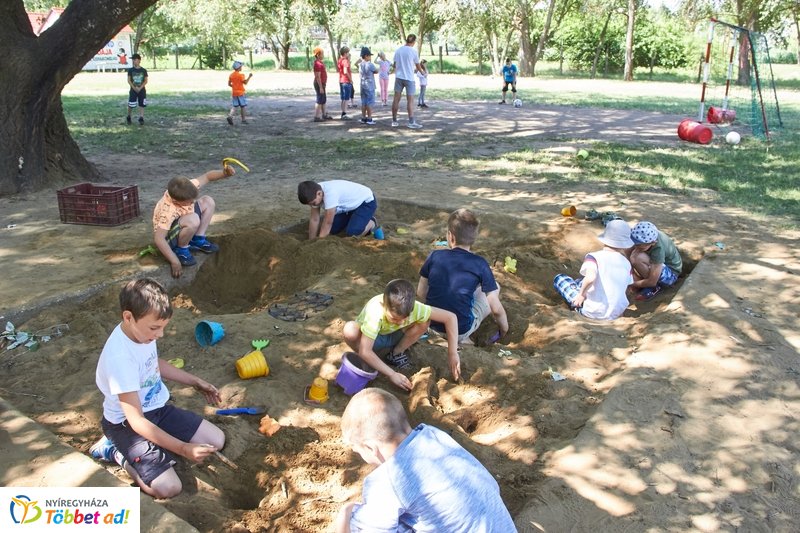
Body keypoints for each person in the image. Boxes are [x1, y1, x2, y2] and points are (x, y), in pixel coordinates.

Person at [90, 279, 225, 499]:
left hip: (156, 410)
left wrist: (194, 381)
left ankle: (151, 447)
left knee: (216, 440)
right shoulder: (120, 358)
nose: (160, 334)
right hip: (125, 426)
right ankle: (116, 452)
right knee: (168, 488)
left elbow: (152, 363)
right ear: (128, 317)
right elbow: (136, 421)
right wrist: (183, 448)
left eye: (163, 327)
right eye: (155, 328)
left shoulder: (141, 333)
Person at [334, 388, 516, 533]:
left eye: (357, 449)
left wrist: (345, 515)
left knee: (355, 518)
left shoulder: (387, 480)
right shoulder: (433, 434)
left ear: (370, 448)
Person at [342, 279, 460, 391]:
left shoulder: (416, 308)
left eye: (405, 318)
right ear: (383, 305)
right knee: (350, 330)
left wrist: (452, 353)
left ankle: (396, 353)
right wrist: (392, 374)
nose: (400, 322)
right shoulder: (375, 311)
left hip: (395, 335)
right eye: (394, 318)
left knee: (425, 321)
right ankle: (367, 361)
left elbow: (450, 317)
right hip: (370, 340)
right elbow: (365, 350)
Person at [417, 209, 509, 345]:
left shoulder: (434, 256)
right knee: (495, 288)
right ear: (474, 239)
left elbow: (420, 292)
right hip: (460, 330)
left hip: (431, 325)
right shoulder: (480, 264)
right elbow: (496, 309)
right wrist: (504, 329)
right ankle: (464, 339)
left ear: (450, 236)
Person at [152, 163, 236, 278]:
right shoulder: (167, 211)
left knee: (208, 201)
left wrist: (224, 173)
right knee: (193, 219)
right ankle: (181, 249)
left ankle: (198, 239)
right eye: (189, 202)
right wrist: (174, 261)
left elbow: (207, 176)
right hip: (170, 238)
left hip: (183, 221)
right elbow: (159, 239)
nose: (193, 202)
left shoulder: (187, 187)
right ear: (177, 201)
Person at [553, 219, 634, 320]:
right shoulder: (627, 263)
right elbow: (626, 287)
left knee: (560, 278)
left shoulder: (594, 257)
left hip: (592, 312)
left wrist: (581, 295)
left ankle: (578, 303)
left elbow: (591, 278)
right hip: (615, 314)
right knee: (580, 281)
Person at [297, 179, 381, 239]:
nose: (312, 206)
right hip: (348, 207)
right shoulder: (313, 193)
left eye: (313, 203)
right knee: (333, 229)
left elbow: (328, 222)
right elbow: (314, 219)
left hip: (365, 202)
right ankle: (355, 218)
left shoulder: (330, 194)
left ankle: (372, 223)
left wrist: (320, 242)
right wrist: (311, 240)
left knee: (352, 233)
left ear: (319, 193)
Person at [629, 221, 682, 300]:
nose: (636, 247)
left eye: (640, 246)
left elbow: (652, 281)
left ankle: (655, 287)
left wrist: (631, 283)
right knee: (634, 255)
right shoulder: (649, 235)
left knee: (637, 258)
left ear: (653, 243)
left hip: (671, 275)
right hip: (663, 265)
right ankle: (646, 282)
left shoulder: (658, 250)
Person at [391, 34, 423, 129]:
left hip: (399, 77)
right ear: (414, 42)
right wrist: (422, 72)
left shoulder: (398, 50)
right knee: (410, 100)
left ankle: (394, 120)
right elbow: (417, 65)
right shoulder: (413, 51)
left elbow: (394, 64)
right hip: (409, 78)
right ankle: (411, 122)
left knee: (396, 99)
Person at [226, 60, 253, 125]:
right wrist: (249, 76)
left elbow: (229, 84)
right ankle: (243, 120)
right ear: (238, 67)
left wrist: (234, 87)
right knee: (243, 106)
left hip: (234, 93)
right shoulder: (241, 75)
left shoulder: (231, 75)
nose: (241, 68)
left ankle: (230, 116)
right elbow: (245, 82)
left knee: (235, 106)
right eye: (241, 67)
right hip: (240, 93)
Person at [358, 47, 378, 125]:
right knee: (369, 102)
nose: (370, 57)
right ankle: (369, 118)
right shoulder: (370, 64)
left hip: (362, 85)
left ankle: (363, 117)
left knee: (364, 102)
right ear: (366, 56)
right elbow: (376, 71)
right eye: (369, 55)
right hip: (369, 85)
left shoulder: (360, 64)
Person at [126, 53, 147, 125]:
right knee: (131, 104)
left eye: (135, 59)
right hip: (133, 90)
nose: (133, 61)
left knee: (142, 104)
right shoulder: (130, 70)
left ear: (139, 60)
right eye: (133, 60)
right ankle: (129, 116)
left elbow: (145, 81)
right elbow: (129, 80)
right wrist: (134, 88)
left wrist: (140, 88)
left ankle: (141, 117)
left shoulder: (143, 70)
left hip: (142, 90)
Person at [312, 47, 332, 122]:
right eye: (322, 54)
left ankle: (324, 114)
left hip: (322, 83)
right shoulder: (317, 64)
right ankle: (316, 116)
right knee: (319, 99)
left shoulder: (320, 63)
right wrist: (320, 87)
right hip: (319, 83)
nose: (323, 55)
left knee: (323, 99)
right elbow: (317, 76)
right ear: (318, 55)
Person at [337, 46, 354, 120]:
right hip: (346, 81)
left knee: (343, 98)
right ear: (345, 53)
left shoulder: (340, 60)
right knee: (346, 98)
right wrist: (350, 79)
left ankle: (343, 112)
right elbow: (345, 71)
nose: (348, 54)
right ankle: (344, 113)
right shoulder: (345, 61)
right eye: (347, 52)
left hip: (341, 80)